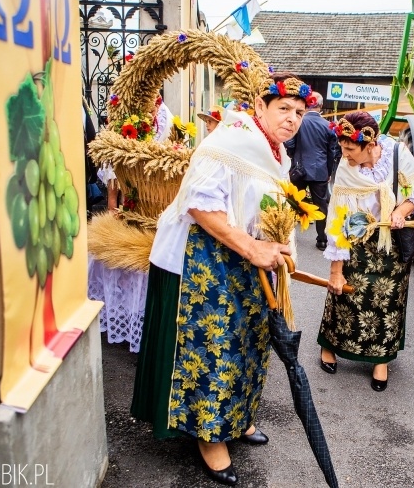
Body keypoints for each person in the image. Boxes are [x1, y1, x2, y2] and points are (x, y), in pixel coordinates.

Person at [131, 72, 311, 486]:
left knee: (248, 341)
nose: (292, 118)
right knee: (215, 344)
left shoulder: (277, 153)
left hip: (243, 260)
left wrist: (276, 245)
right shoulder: (229, 140)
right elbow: (200, 205)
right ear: (260, 106)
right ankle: (209, 436)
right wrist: (252, 248)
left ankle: (237, 417)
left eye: (299, 112)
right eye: (284, 108)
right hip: (203, 257)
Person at [317, 111, 414, 392]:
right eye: (342, 147)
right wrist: (335, 271)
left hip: (391, 244)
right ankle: (330, 346)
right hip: (356, 241)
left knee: (389, 302)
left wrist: (400, 212)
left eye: (350, 149)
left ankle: (381, 360)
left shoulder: (396, 154)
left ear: (370, 145)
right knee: (344, 296)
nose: (344, 154)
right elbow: (338, 219)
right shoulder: (346, 168)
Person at [283, 92, 340, 250]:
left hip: (298, 169)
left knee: (293, 203)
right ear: (321, 106)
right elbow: (332, 153)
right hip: (320, 171)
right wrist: (328, 172)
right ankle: (322, 240)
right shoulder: (328, 126)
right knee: (321, 206)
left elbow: (290, 143)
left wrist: (294, 157)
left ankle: (285, 234)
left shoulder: (299, 122)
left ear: (307, 105)